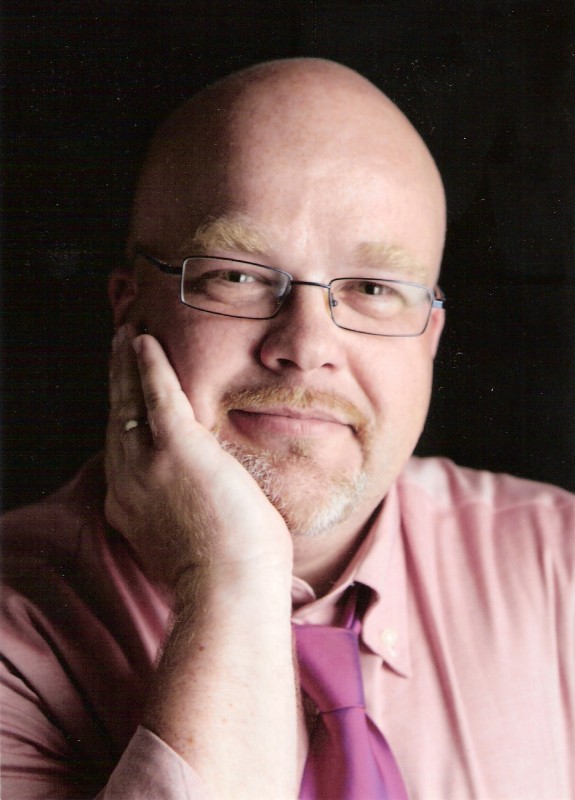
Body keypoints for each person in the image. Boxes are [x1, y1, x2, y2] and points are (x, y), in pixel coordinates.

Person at [1, 57, 573, 800]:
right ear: (129, 308)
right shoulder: (16, 623)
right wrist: (229, 581)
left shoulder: (560, 569)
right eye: (237, 275)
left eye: (373, 289)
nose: (306, 346)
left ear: (430, 338)